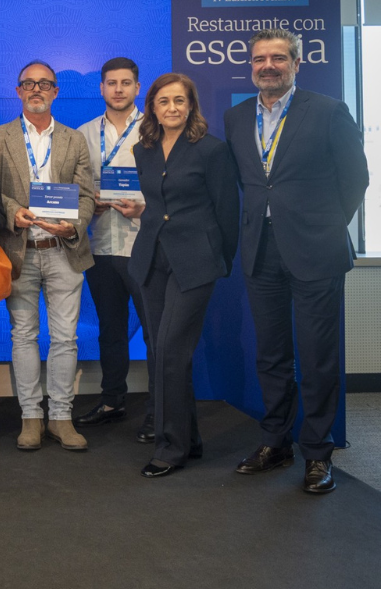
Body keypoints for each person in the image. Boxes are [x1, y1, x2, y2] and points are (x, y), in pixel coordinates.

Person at [225, 28, 369, 494]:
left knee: (317, 358)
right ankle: (275, 443)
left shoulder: (327, 110)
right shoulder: (236, 117)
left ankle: (318, 453)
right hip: (260, 250)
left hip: (316, 251)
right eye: (259, 59)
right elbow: (247, 183)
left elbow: (356, 178)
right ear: (251, 65)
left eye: (278, 58)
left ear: (296, 64)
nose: (268, 65)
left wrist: (323, 226)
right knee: (271, 355)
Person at [130, 73, 239, 478]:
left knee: (171, 351)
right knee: (164, 353)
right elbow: (158, 204)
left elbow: (228, 211)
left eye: (179, 100)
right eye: (164, 101)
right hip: (151, 260)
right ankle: (189, 439)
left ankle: (169, 449)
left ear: (191, 105)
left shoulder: (212, 150)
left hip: (195, 263)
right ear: (153, 108)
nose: (172, 108)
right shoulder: (143, 149)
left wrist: (219, 260)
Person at [0, 60, 94, 452]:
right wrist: (13, 210)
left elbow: (86, 195)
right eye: (28, 83)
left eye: (44, 84)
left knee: (65, 338)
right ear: (18, 91)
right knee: (23, 336)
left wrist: (74, 226)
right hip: (19, 250)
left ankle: (61, 417)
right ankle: (31, 416)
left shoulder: (74, 140)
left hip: (64, 250)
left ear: (55, 92)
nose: (36, 89)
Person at [75, 57, 156, 442]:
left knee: (156, 332)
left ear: (138, 88)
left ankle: (160, 411)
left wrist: (145, 206)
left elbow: (170, 186)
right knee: (111, 329)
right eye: (111, 83)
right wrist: (87, 202)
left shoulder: (155, 129)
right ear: (102, 88)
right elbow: (74, 187)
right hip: (101, 245)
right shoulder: (83, 133)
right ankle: (112, 401)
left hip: (145, 244)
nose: (118, 89)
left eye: (126, 83)